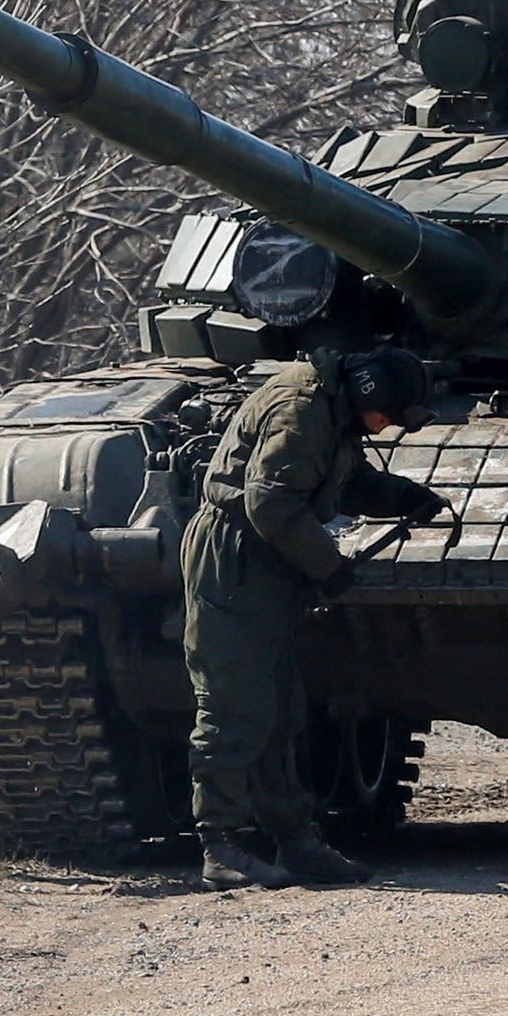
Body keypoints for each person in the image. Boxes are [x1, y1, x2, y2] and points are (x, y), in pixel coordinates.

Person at [180, 346, 448, 892]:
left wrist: (403, 497)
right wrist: (328, 566)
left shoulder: (331, 410)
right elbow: (271, 504)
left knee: (281, 711)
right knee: (235, 706)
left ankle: (294, 840)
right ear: (368, 390)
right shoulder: (301, 409)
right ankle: (220, 843)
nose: (386, 426)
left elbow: (339, 481)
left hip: (268, 560)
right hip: (237, 558)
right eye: (388, 415)